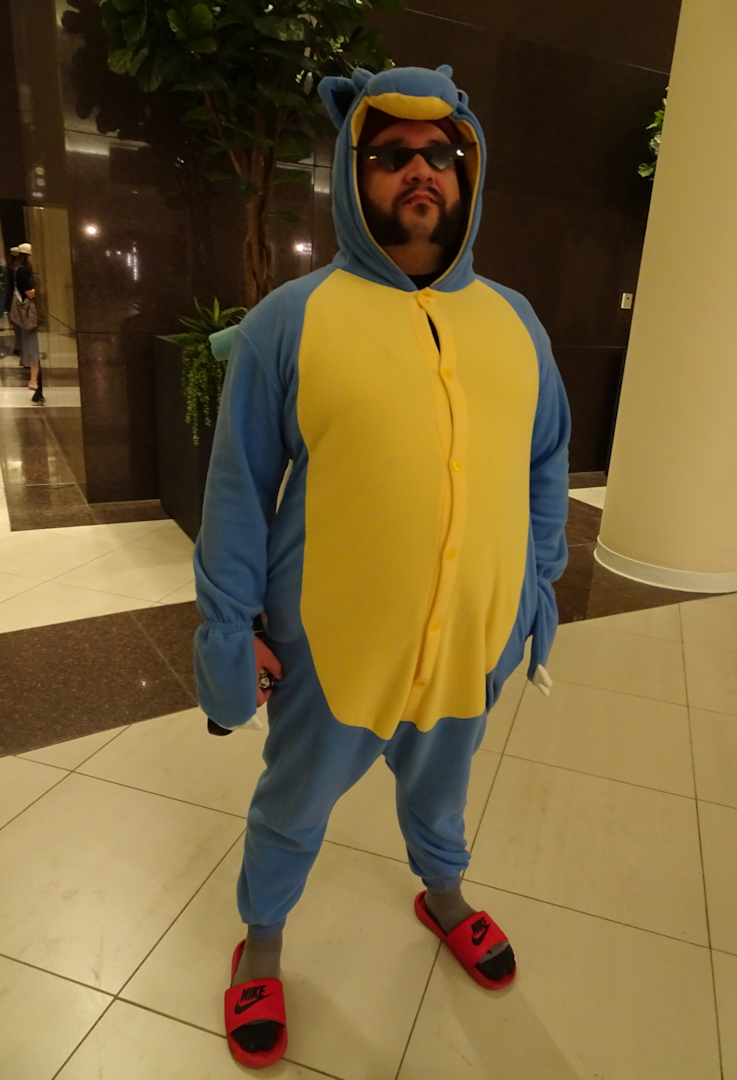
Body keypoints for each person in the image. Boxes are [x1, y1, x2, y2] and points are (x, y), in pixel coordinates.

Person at [194, 64, 570, 1070]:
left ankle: (442, 891)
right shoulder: (290, 321)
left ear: (468, 169)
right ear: (352, 171)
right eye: (391, 153)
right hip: (332, 642)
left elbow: (546, 462)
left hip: (471, 640)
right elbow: (236, 491)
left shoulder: (518, 324)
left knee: (443, 786)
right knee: (293, 803)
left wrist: (534, 586)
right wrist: (232, 632)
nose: (419, 170)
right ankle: (262, 941)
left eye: (439, 152)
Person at [13, 243, 44, 403]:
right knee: (33, 345)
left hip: (22, 313)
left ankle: (31, 375)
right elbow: (29, 293)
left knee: (28, 342)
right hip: (28, 313)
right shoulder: (23, 271)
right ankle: (33, 380)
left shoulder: (17, 269)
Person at [5, 246, 23, 360]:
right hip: (16, 299)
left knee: (16, 326)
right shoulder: (17, 269)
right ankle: (20, 347)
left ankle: (18, 346)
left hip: (11, 298)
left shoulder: (9, 267)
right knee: (20, 325)